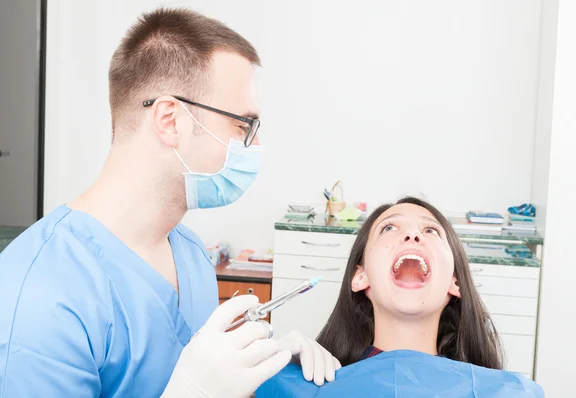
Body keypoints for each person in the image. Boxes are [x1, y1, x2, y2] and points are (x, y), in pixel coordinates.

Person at [0, 7, 339, 398]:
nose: (256, 147)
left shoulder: (192, 255)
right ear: (170, 120)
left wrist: (263, 368)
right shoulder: (40, 293)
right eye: (244, 125)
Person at [257, 197, 544, 397]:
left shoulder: (508, 392)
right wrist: (263, 370)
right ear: (361, 276)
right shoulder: (299, 387)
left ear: (454, 282)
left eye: (431, 230)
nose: (412, 235)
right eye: (389, 228)